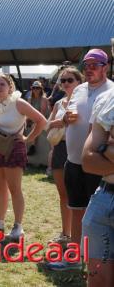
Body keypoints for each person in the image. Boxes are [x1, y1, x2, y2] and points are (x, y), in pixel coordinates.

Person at [47, 48, 114, 271]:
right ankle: (75, 259)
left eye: (95, 64)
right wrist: (65, 118)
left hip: (98, 167)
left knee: (98, 218)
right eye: (86, 65)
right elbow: (68, 118)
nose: (90, 68)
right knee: (77, 210)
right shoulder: (78, 90)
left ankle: (98, 263)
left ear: (106, 66)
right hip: (73, 161)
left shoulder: (111, 90)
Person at [0, 74, 47, 240]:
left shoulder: (19, 102)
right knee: (0, 189)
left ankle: (18, 226)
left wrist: (27, 138)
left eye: (2, 84)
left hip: (14, 148)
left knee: (15, 189)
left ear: (10, 86)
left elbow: (41, 121)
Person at [45, 67, 83, 244]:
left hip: (79, 150)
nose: (66, 83)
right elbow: (47, 125)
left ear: (79, 82)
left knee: (81, 196)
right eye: (63, 80)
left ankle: (80, 236)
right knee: (63, 195)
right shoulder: (60, 103)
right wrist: (62, 122)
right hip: (60, 149)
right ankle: (66, 233)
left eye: (70, 80)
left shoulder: (84, 101)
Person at [81, 86, 114, 287]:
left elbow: (97, 154)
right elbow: (88, 161)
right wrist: (105, 147)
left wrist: (107, 149)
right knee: (98, 280)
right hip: (103, 199)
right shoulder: (107, 98)